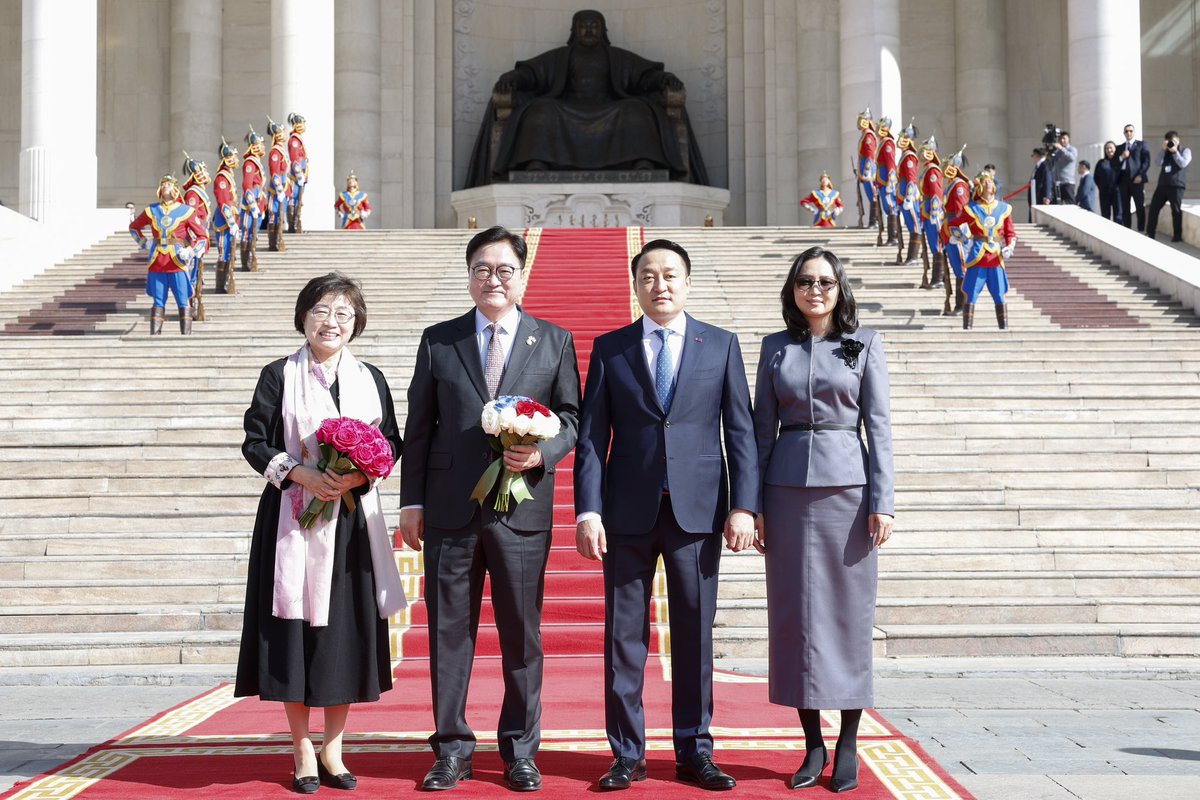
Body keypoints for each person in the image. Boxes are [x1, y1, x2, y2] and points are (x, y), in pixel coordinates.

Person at [397, 226, 581, 793]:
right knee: (448, 633)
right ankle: (452, 748)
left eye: (504, 270)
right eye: (482, 269)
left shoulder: (554, 340)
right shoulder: (439, 340)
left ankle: (521, 750)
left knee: (521, 635)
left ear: (522, 276)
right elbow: (419, 426)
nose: (493, 279)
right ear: (469, 276)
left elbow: (572, 418)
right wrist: (411, 501)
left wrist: (542, 452)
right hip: (449, 510)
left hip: (521, 513)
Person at [574, 239, 759, 792]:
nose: (660, 285)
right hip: (626, 513)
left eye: (671, 274)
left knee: (694, 635)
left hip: (697, 513)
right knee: (623, 640)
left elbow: (740, 430)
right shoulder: (611, 348)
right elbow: (591, 439)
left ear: (688, 282)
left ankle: (694, 750)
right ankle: (626, 754)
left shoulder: (720, 344)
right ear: (636, 285)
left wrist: (744, 506)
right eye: (649, 276)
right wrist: (588, 510)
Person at [234, 272, 407, 795]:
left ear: (356, 324)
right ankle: (301, 747)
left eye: (344, 314)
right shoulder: (278, 375)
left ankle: (333, 746)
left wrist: (356, 475)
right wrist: (302, 474)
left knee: (343, 635)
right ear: (303, 316)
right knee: (293, 631)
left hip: (352, 523)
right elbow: (255, 442)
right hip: (291, 519)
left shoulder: (371, 378)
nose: (332, 322)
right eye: (322, 311)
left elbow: (391, 442)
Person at [751, 245, 894, 793]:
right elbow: (761, 430)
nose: (815, 290)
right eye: (805, 281)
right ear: (792, 290)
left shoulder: (863, 343)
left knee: (848, 614)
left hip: (848, 493)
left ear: (840, 289)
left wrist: (883, 500)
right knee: (796, 616)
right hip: (786, 492)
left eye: (825, 282)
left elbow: (878, 426)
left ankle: (848, 741)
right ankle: (812, 742)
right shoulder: (775, 347)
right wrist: (754, 504)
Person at [465, 9, 708, 187]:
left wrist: (665, 79)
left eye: (594, 25)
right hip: (567, 107)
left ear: (603, 31)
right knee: (541, 110)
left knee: (636, 109)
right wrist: (512, 78)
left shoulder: (617, 57)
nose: (589, 30)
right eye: (584, 26)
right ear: (575, 30)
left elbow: (645, 77)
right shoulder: (560, 57)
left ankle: (642, 161)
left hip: (610, 107)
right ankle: (537, 162)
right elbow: (532, 74)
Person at [128, 174, 208, 335]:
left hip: (177, 260)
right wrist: (144, 242)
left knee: (183, 299)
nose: (165, 186)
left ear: (175, 189)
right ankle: (155, 335)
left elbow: (202, 236)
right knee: (158, 300)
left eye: (169, 184)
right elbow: (134, 227)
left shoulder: (186, 211)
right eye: (163, 184)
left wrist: (191, 251)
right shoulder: (152, 210)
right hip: (157, 260)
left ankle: (185, 335)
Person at [949, 171, 1016, 330]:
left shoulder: (1004, 208)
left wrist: (1009, 247)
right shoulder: (970, 208)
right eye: (985, 181)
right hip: (977, 257)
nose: (988, 184)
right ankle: (967, 328)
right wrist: (965, 240)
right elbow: (953, 225)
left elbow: (1010, 232)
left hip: (995, 257)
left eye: (990, 181)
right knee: (970, 294)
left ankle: (1004, 328)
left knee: (999, 294)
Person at [180, 152, 212, 321]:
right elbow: (190, 218)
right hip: (194, 240)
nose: (206, 172)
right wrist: (196, 242)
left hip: (200, 237)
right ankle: (188, 308)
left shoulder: (199, 192)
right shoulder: (193, 194)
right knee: (191, 277)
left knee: (197, 276)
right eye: (203, 170)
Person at [1146, 130, 1192, 243]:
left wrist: (1175, 152)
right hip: (1162, 185)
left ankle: (1177, 235)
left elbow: (1183, 163)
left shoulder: (1185, 151)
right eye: (1169, 142)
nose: (1172, 144)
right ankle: (1150, 233)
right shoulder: (1165, 152)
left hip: (1177, 185)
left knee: (1175, 210)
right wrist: (1163, 150)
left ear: (1178, 140)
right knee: (1153, 208)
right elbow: (1158, 162)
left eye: (1174, 141)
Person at [940, 146, 970, 316]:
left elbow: (961, 212)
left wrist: (958, 235)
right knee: (956, 269)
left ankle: (962, 306)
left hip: (956, 232)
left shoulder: (959, 186)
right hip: (949, 229)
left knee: (961, 270)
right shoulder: (952, 184)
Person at [212, 138, 241, 294]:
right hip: (224, 221)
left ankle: (228, 282)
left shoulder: (228, 175)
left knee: (230, 252)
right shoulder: (222, 178)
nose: (236, 159)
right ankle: (221, 285)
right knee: (224, 253)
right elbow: (224, 203)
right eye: (233, 156)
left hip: (230, 218)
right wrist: (231, 222)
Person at [918, 135, 945, 290]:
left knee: (937, 245)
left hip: (932, 212)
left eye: (924, 151)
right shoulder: (928, 169)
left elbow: (936, 193)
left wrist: (935, 212)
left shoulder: (933, 170)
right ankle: (937, 277)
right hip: (926, 209)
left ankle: (939, 278)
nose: (921, 154)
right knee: (933, 244)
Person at [239, 124, 266, 272]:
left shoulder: (256, 162)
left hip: (258, 203)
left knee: (253, 234)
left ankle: (251, 259)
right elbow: (247, 185)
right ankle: (246, 262)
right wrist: (252, 204)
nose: (263, 147)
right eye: (261, 144)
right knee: (247, 233)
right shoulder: (250, 163)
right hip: (250, 205)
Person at [1117, 123, 1152, 231]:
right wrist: (1122, 157)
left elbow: (1146, 162)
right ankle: (1127, 228)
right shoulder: (1120, 147)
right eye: (1126, 131)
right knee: (1125, 206)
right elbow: (1114, 164)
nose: (1128, 133)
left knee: (1139, 205)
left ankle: (1141, 229)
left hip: (1136, 179)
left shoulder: (1141, 145)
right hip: (1123, 179)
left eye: (1131, 131)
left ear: (1134, 132)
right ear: (1124, 133)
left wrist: (1140, 175)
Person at [896, 121, 922, 266]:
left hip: (908, 195)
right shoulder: (905, 155)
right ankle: (911, 257)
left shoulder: (909, 157)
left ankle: (913, 257)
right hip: (903, 193)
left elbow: (911, 179)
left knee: (914, 225)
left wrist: (908, 197)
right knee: (910, 224)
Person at [874, 116, 899, 247]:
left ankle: (893, 237)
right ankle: (892, 237)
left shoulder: (888, 143)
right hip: (882, 180)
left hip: (886, 180)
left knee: (890, 207)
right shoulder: (883, 142)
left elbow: (890, 164)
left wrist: (890, 181)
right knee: (887, 207)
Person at [266, 118, 291, 252]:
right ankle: (273, 242)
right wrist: (279, 189)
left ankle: (278, 239)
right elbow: (275, 173)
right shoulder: (275, 152)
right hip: (277, 189)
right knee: (274, 215)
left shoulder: (281, 150)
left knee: (281, 215)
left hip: (284, 186)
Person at [854, 107, 878, 229]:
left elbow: (869, 155)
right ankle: (873, 221)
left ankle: (874, 221)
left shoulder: (868, 136)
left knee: (872, 195)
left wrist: (867, 171)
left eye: (861, 120)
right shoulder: (865, 135)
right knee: (870, 195)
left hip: (868, 169)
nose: (858, 123)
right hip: (864, 168)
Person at [287, 112, 308, 234]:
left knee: (298, 200)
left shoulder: (298, 139)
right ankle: (293, 224)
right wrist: (299, 175)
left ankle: (296, 222)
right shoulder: (294, 140)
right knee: (294, 199)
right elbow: (295, 159)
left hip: (302, 174)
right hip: (297, 176)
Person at [1045, 131, 1077, 204]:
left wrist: (1061, 149)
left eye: (1064, 138)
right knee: (1058, 203)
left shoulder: (1072, 149)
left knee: (1070, 203)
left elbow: (1071, 158)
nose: (1062, 140)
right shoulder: (1058, 152)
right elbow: (1052, 163)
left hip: (1068, 182)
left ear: (1068, 139)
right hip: (1058, 182)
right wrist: (1049, 155)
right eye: (1060, 139)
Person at [1095, 141, 1123, 223]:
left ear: (1115, 149)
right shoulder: (1101, 163)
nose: (1109, 150)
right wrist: (1101, 186)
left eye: (1111, 148)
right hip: (1104, 192)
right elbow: (1096, 177)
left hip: (1117, 191)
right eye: (1107, 148)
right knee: (1105, 215)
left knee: (1118, 215)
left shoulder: (1120, 161)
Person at [1028, 147, 1050, 222]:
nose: (1032, 158)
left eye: (1033, 155)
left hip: (1040, 196)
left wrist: (1047, 196)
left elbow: (1047, 180)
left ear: (1037, 155)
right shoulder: (1038, 166)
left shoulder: (1045, 165)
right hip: (1035, 196)